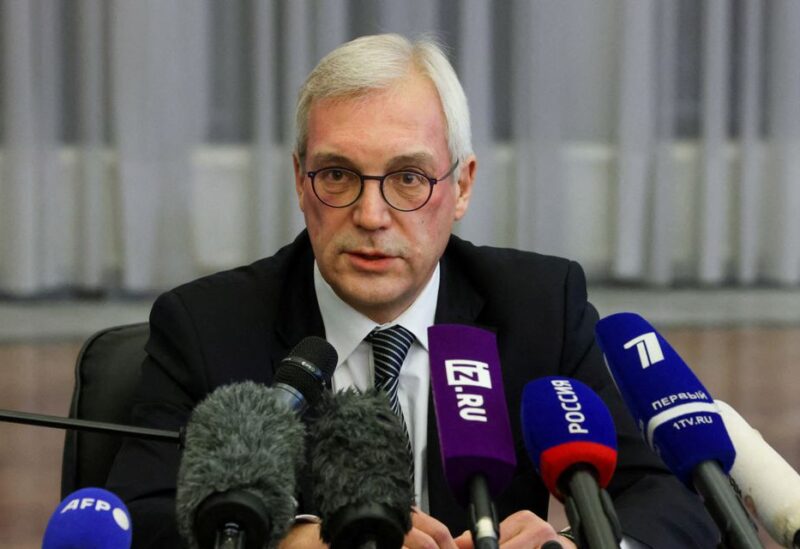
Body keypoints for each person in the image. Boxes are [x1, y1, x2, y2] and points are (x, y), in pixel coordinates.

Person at [107, 34, 718, 548]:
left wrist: (570, 546)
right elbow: (136, 516)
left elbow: (669, 497)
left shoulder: (539, 307)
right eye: (339, 175)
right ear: (300, 179)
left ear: (463, 186)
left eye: (407, 178)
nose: (372, 215)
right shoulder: (207, 326)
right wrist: (286, 540)